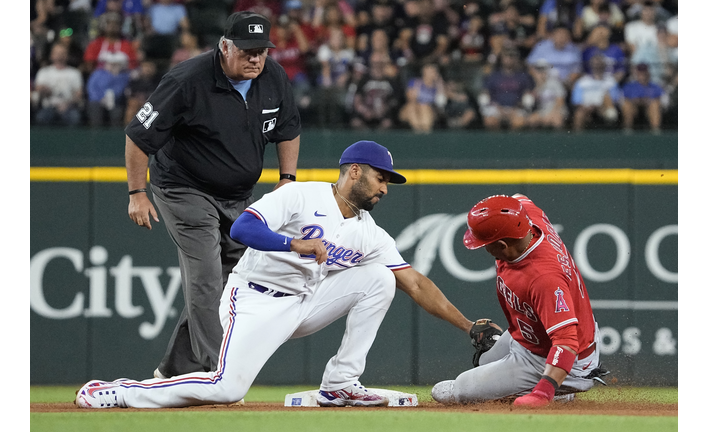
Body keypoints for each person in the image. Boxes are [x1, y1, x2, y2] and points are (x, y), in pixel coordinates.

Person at [76, 140, 474, 409]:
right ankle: (121, 391)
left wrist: (470, 328)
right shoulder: (301, 195)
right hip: (254, 298)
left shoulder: (370, 232)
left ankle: (340, 384)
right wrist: (292, 244)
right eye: (380, 177)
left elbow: (416, 283)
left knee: (381, 279)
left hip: (306, 302)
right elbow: (242, 229)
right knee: (228, 388)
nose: (385, 188)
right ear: (354, 171)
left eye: (387, 181)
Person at [122, 12, 302, 382]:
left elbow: (288, 129)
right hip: (184, 188)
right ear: (225, 46)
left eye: (262, 51)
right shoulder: (187, 80)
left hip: (238, 196)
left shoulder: (273, 78)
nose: (256, 58)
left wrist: (287, 178)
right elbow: (138, 135)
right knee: (205, 274)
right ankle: (218, 370)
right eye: (247, 50)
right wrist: (137, 192)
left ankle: (173, 371)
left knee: (231, 280)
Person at [431, 194, 608, 407]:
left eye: (486, 243)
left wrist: (543, 392)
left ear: (503, 244)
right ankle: (537, 382)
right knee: (484, 361)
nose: (484, 248)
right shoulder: (529, 219)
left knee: (451, 391)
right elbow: (519, 198)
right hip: (530, 338)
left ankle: (563, 388)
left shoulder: (543, 278)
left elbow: (566, 342)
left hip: (559, 358)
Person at [477, 49, 534, 131]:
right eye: (506, 56)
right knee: (490, 121)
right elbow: (485, 93)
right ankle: (496, 143)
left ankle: (514, 142)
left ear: (516, 59)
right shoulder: (493, 76)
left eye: (512, 56)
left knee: (519, 122)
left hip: (516, 108)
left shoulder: (523, 76)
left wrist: (516, 108)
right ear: (502, 58)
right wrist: (498, 108)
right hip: (496, 108)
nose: (509, 59)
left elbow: (527, 94)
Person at [32, 41, 84, 127]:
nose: (60, 56)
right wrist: (44, 91)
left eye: (62, 53)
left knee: (75, 117)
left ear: (67, 55)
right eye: (57, 53)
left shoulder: (75, 73)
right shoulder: (44, 72)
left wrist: (67, 104)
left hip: (68, 107)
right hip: (49, 106)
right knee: (41, 117)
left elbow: (79, 95)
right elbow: (38, 90)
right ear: (52, 55)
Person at [571, 53, 620, 131]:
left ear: (604, 65)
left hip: (603, 107)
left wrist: (599, 106)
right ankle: (577, 137)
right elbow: (577, 101)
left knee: (610, 111)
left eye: (600, 64)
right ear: (591, 65)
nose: (598, 66)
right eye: (596, 64)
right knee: (579, 113)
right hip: (586, 107)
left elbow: (615, 99)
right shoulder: (582, 81)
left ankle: (611, 136)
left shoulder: (610, 81)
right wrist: (588, 107)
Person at [525, 25, 582, 90]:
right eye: (559, 34)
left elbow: (577, 70)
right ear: (553, 35)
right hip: (543, 81)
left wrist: (566, 83)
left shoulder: (574, 49)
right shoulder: (541, 46)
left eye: (564, 35)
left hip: (565, 83)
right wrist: (540, 80)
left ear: (569, 37)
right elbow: (530, 65)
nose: (561, 37)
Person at [86, 51, 132, 127]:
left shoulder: (124, 76)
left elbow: (122, 90)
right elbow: (91, 89)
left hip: (116, 102)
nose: (113, 66)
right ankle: (95, 134)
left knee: (116, 112)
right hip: (98, 101)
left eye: (116, 64)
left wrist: (115, 76)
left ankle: (114, 135)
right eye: (111, 64)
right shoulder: (97, 74)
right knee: (95, 108)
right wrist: (100, 99)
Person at [398, 62, 446, 133]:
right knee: (412, 107)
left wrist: (440, 84)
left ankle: (424, 133)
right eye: (429, 70)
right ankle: (418, 132)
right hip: (412, 111)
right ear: (424, 71)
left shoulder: (437, 86)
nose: (431, 73)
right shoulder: (415, 82)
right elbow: (410, 99)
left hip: (430, 112)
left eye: (433, 71)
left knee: (424, 107)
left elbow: (441, 103)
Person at [620, 63, 663, 133]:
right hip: (634, 108)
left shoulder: (655, 87)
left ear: (648, 73)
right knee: (627, 105)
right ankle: (627, 130)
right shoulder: (629, 86)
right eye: (640, 72)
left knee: (655, 105)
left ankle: (655, 131)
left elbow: (662, 100)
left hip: (649, 109)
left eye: (644, 72)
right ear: (636, 73)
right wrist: (636, 101)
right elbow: (623, 99)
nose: (642, 74)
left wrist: (648, 101)